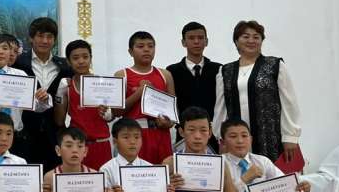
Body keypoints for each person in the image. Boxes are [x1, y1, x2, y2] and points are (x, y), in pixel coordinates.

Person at [214, 20, 303, 192]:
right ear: (236, 41)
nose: (251, 40)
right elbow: (220, 106)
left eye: (256, 36)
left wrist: (291, 135)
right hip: (237, 139)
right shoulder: (225, 71)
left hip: (269, 137)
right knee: (239, 188)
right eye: (245, 36)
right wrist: (220, 138)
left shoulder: (275, 65)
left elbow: (289, 101)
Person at [0, 34, 51, 159]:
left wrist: (44, 99)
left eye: (5, 48)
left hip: (16, 138)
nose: (0, 52)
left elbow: (37, 107)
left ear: (11, 52)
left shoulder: (21, 75)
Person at [12, 17, 72, 172]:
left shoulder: (65, 66)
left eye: (49, 37)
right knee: (26, 178)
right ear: (31, 38)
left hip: (55, 134)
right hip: (24, 133)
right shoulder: (18, 63)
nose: (45, 41)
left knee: (54, 179)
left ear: (55, 40)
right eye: (40, 36)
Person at [115, 31, 176, 165]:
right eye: (141, 46)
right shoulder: (122, 75)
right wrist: (139, 92)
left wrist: (168, 123)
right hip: (135, 134)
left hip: (161, 134)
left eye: (150, 46)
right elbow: (116, 111)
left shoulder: (165, 75)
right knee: (137, 174)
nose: (146, 49)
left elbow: (172, 112)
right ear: (130, 51)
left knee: (164, 173)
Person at [54, 39, 115, 170]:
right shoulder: (67, 85)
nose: (81, 61)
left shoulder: (103, 84)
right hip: (77, 146)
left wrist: (108, 114)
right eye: (76, 58)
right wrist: (59, 96)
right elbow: (59, 120)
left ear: (90, 58)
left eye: (85, 57)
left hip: (101, 144)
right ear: (69, 61)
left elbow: (111, 116)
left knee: (103, 181)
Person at [167, 22, 222, 152]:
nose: (196, 42)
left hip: (212, 133)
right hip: (184, 133)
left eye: (200, 38)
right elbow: (170, 104)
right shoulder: (172, 71)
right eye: (191, 38)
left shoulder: (219, 69)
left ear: (206, 41)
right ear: (183, 42)